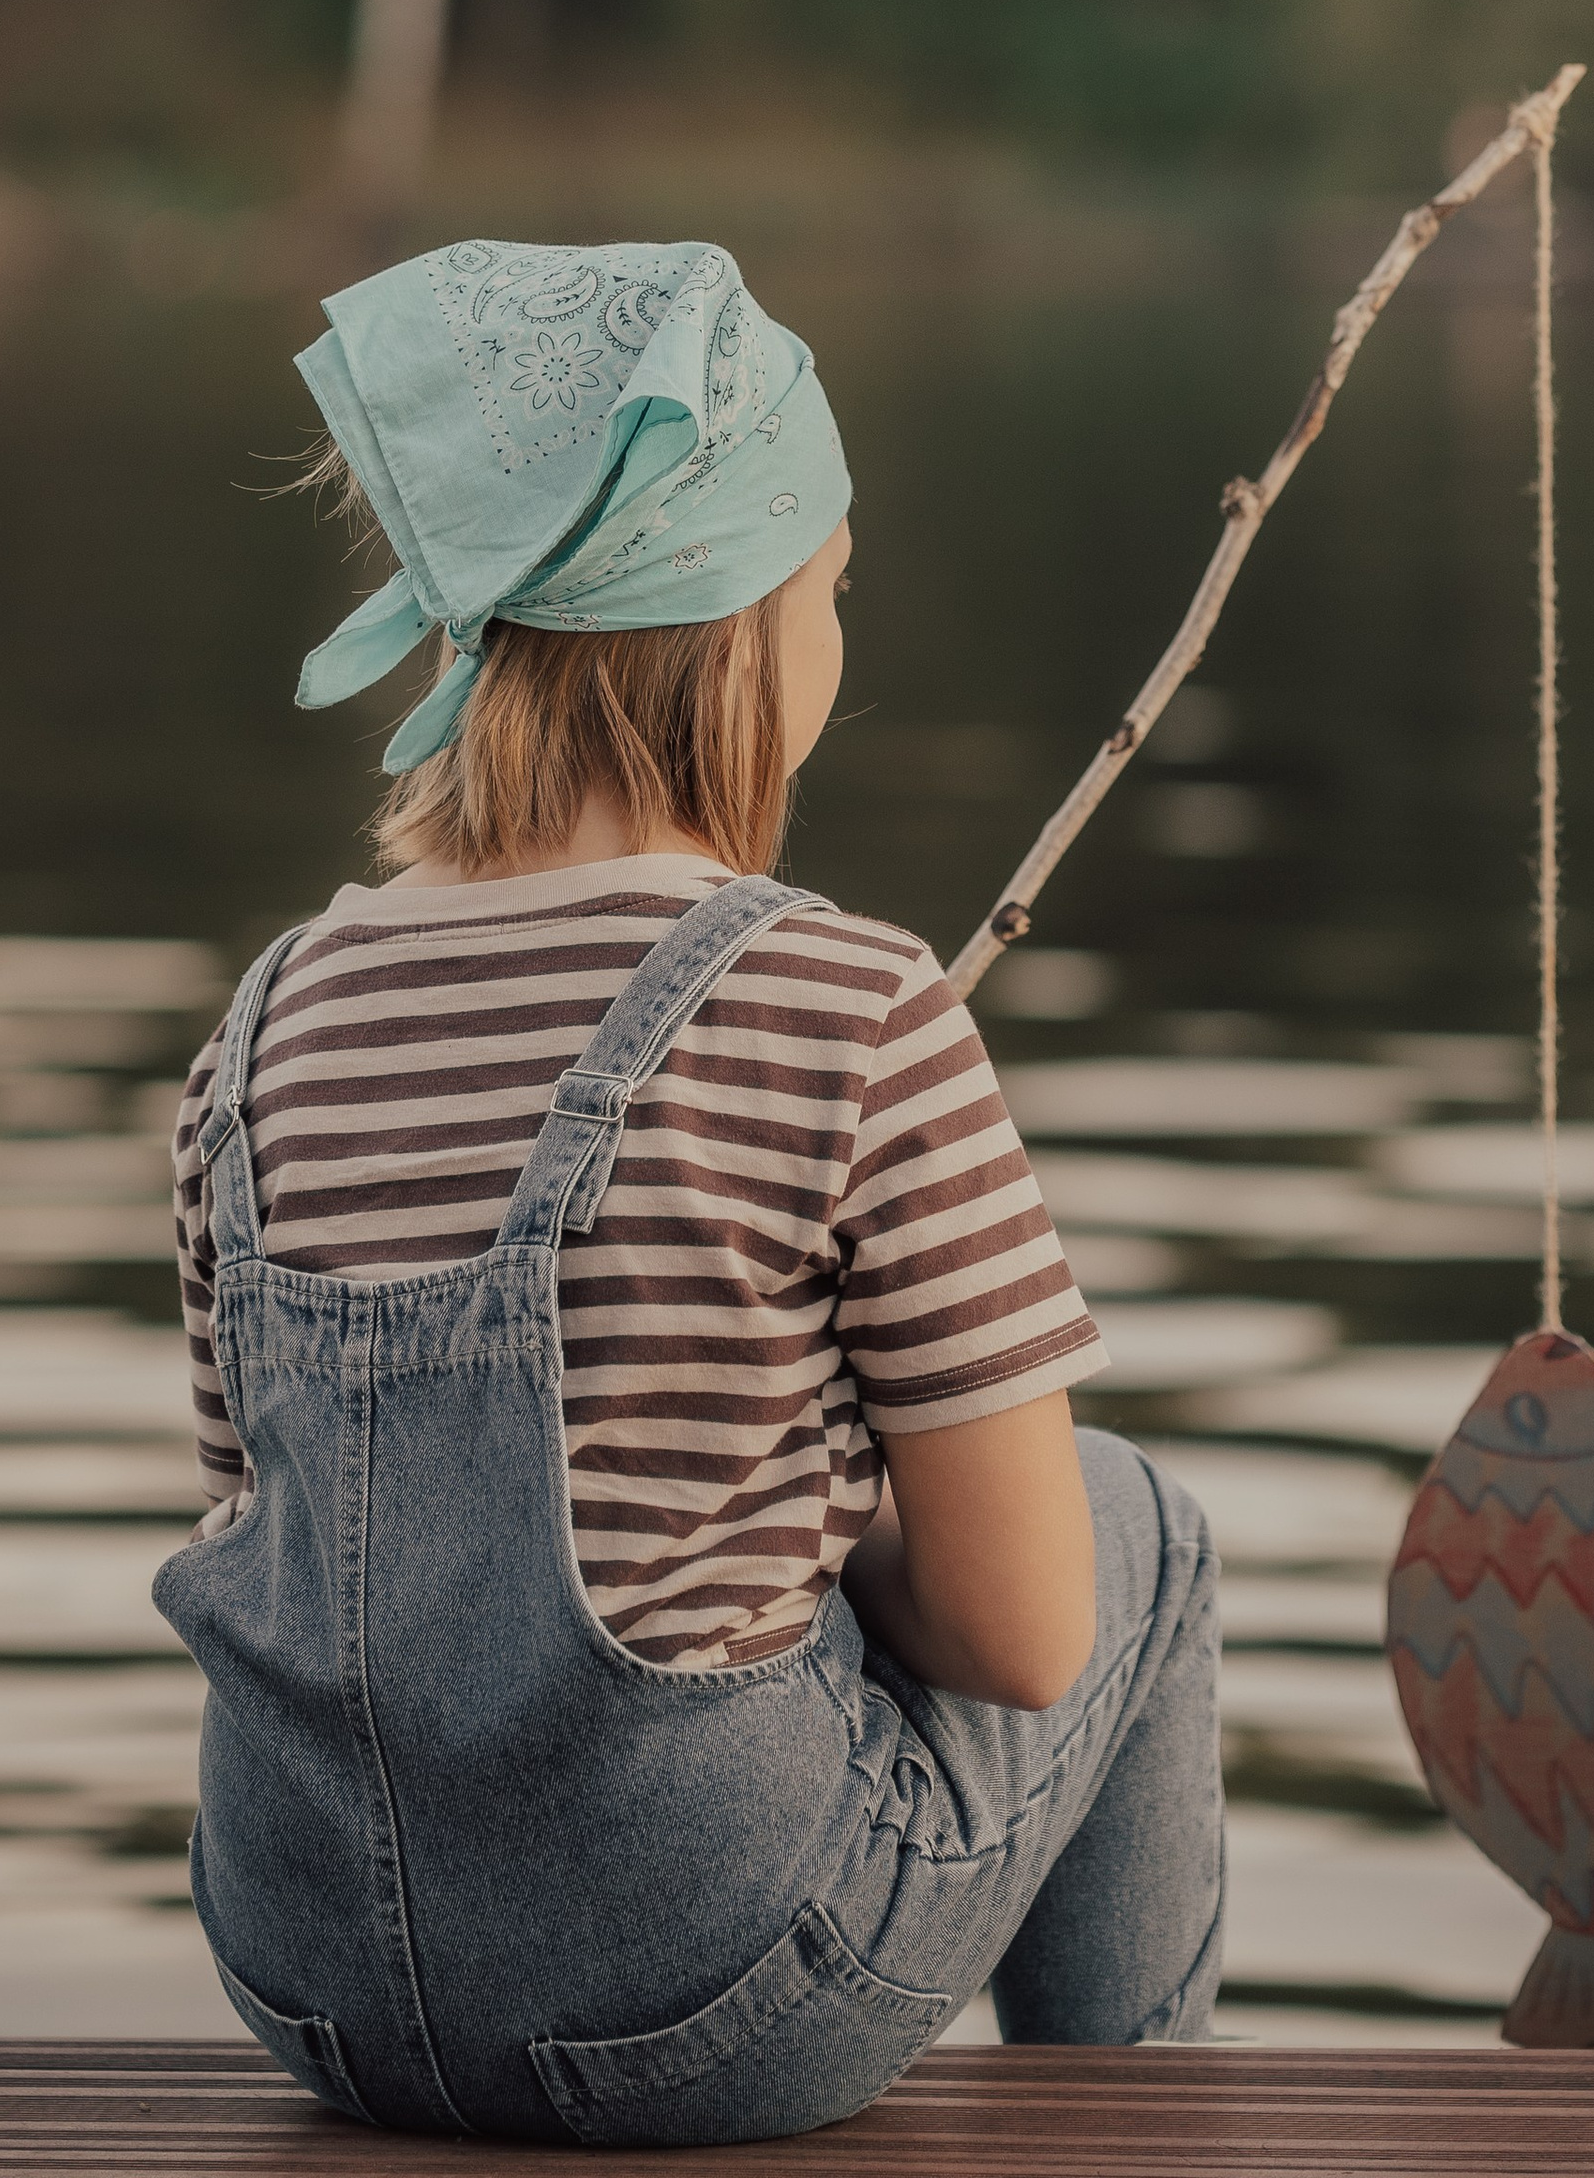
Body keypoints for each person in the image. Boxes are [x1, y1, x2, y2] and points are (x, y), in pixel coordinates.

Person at [156, 237, 1222, 2145]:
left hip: (303, 1974)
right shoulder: (854, 1003)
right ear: (738, 621)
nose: (839, 642)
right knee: (1139, 1532)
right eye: (830, 586)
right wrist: (849, 1517)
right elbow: (1027, 1640)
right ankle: (1128, 2134)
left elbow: (298, 1538)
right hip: (706, 1991)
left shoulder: (269, 1020)